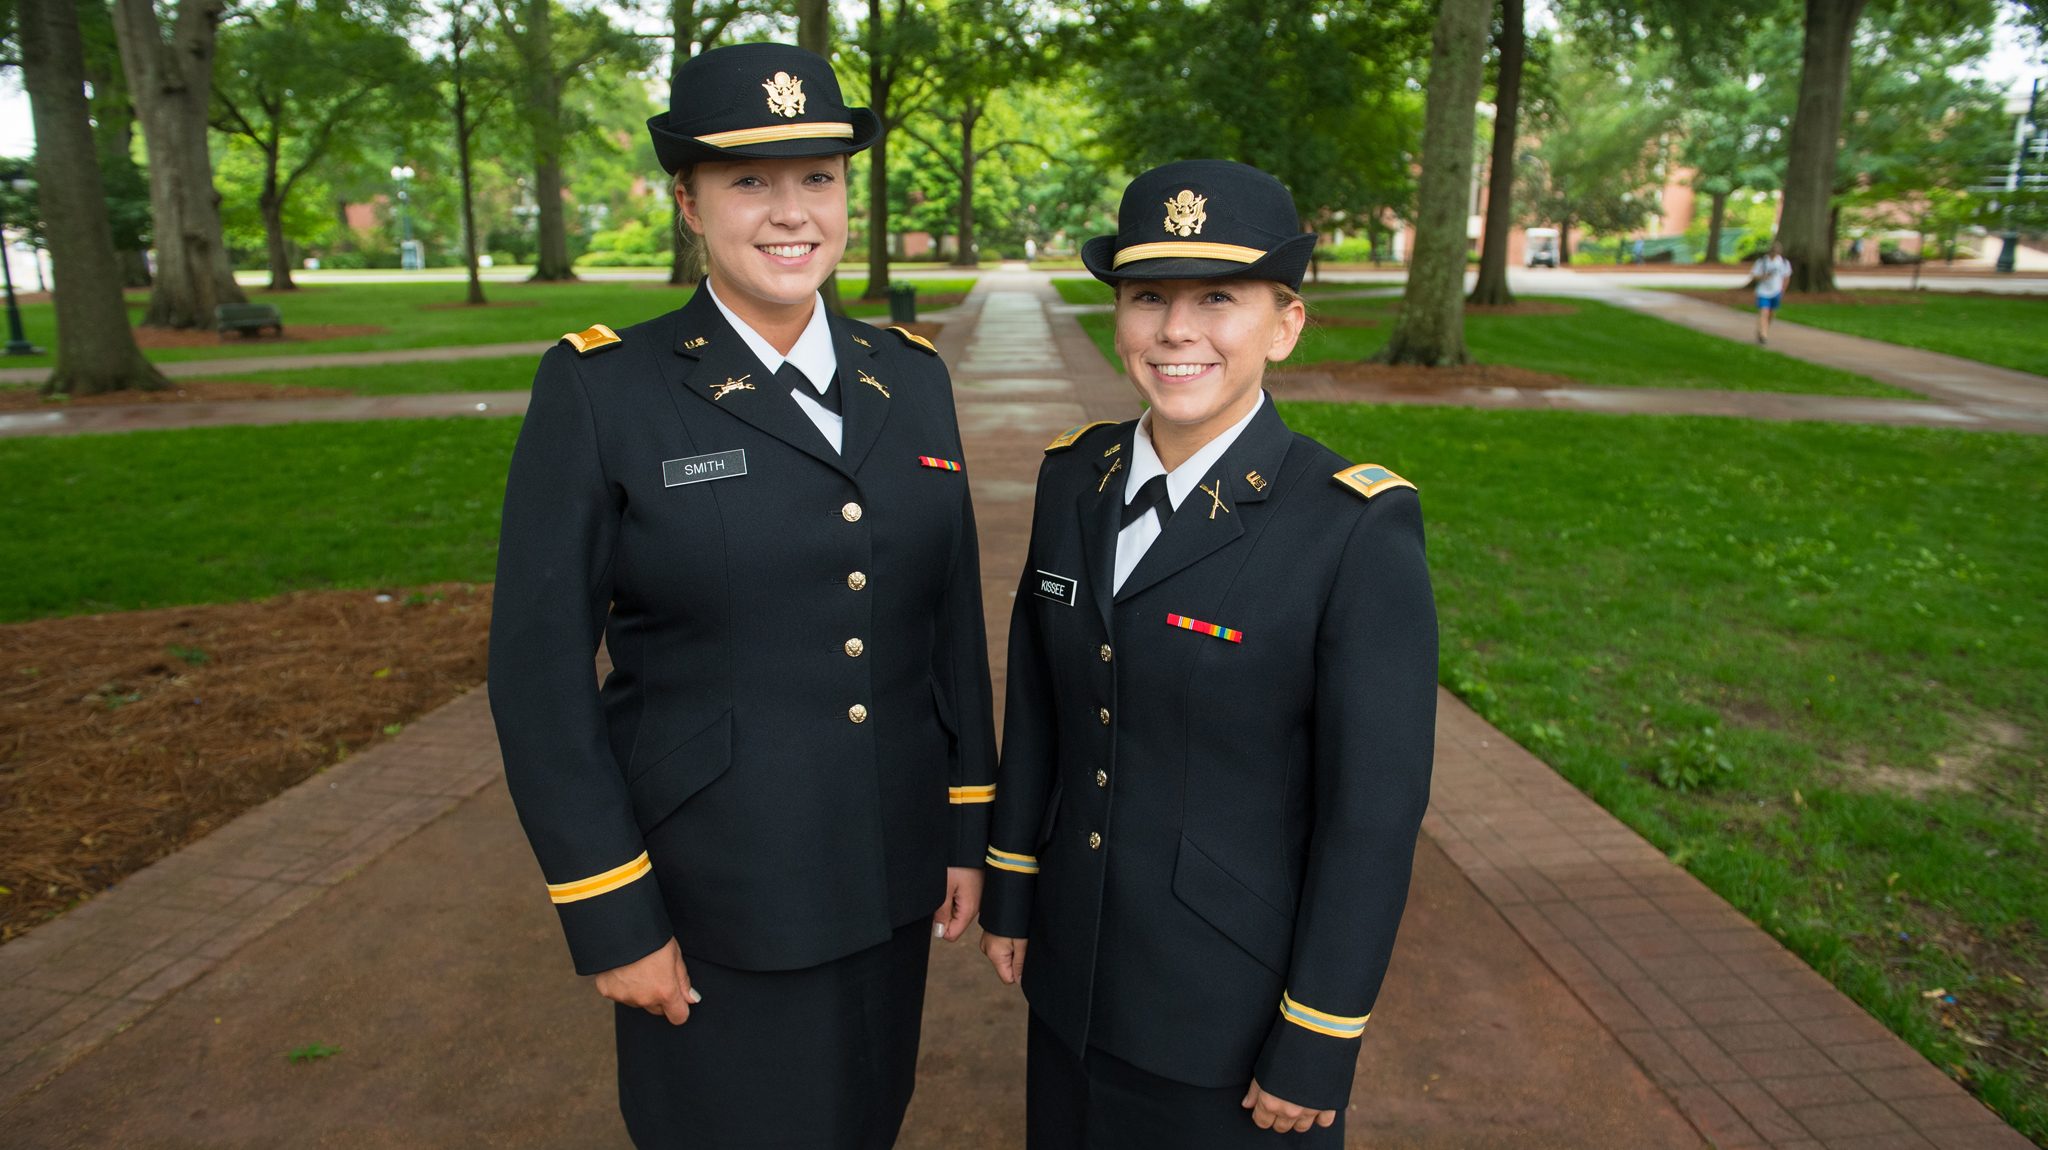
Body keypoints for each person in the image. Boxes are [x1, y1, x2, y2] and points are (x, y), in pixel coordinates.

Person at [487, 42, 996, 1149]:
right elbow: (535, 674)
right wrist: (608, 907)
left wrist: (966, 822)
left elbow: (947, 621)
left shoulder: (909, 377)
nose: (789, 211)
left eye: (817, 176)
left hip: (888, 872)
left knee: (866, 1122)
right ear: (688, 200)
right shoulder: (604, 388)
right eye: (748, 180)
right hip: (713, 892)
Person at [977, 159, 1438, 1148]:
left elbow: (1373, 811)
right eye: (1147, 297)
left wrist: (1318, 1030)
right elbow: (1040, 701)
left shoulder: (1349, 527)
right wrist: (1013, 886)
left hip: (1227, 1018)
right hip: (1072, 983)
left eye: (1217, 298)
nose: (1175, 331)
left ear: (1284, 323)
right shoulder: (1074, 480)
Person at [1750, 240, 1792, 344]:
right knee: (1764, 312)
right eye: (1772, 251)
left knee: (1771, 313)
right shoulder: (1762, 262)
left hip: (1776, 291)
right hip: (1763, 291)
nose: (1774, 253)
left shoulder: (1783, 262)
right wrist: (1763, 277)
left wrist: (1783, 290)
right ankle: (1763, 334)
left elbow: (1786, 277)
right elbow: (1754, 275)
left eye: (1776, 251)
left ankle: (1763, 329)